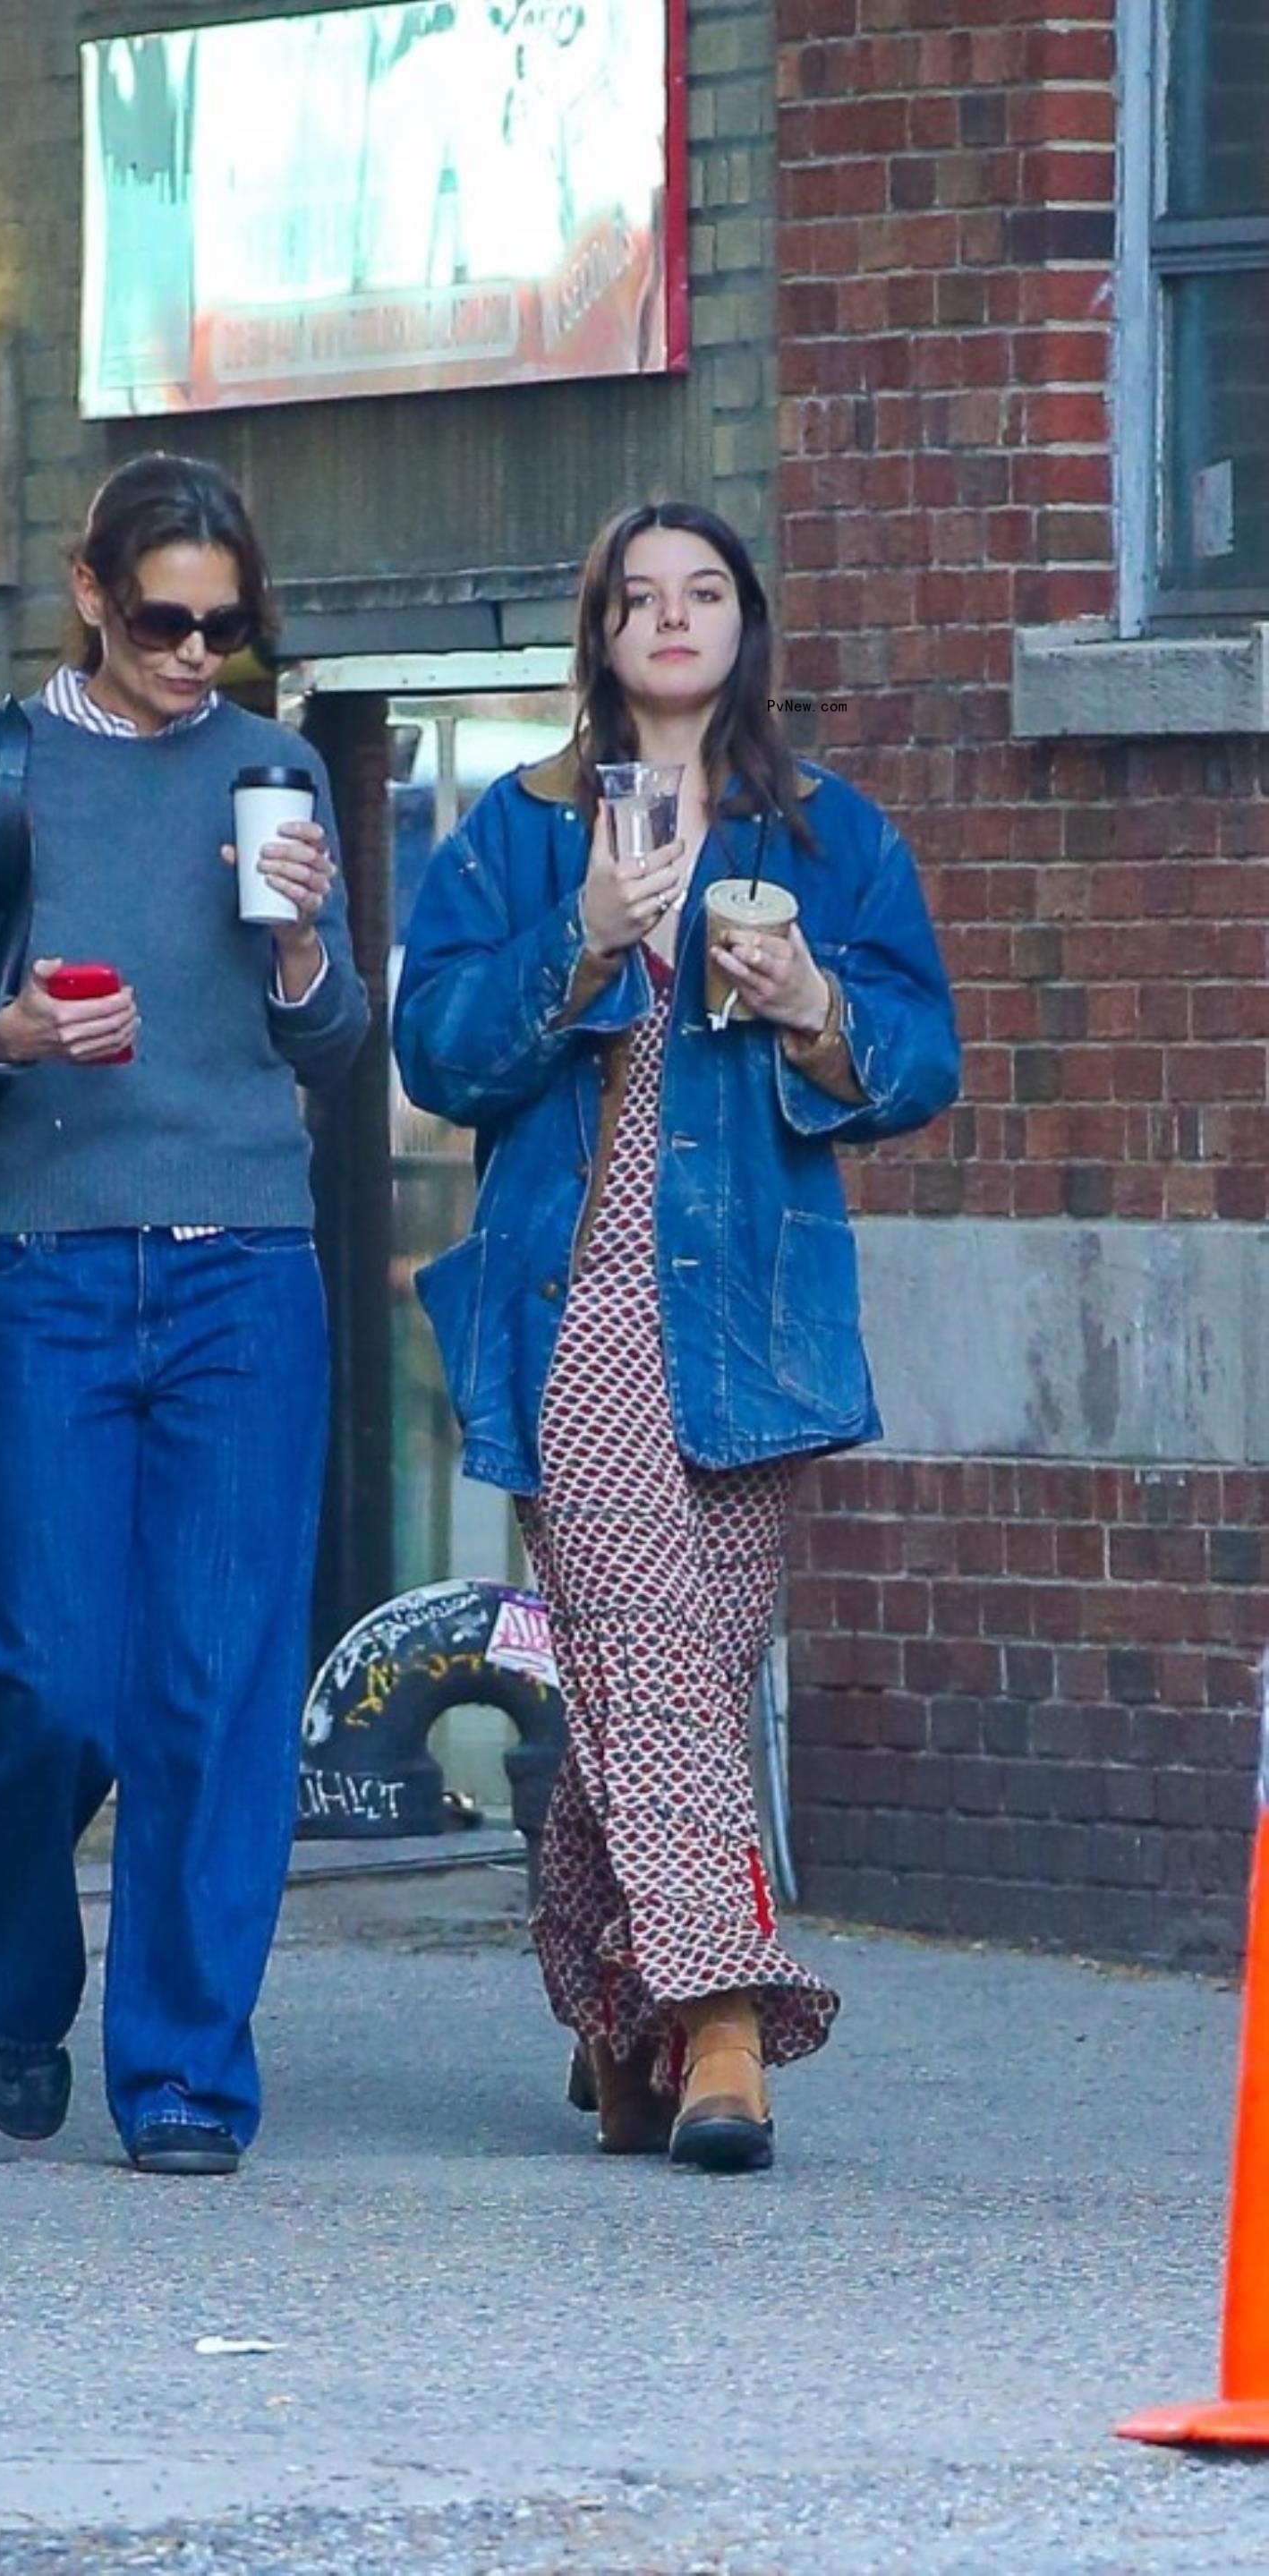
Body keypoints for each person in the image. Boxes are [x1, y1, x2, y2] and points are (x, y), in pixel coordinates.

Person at [393, 500, 958, 2172]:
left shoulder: (826, 834)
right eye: (640, 596)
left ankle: (606, 2003)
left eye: (703, 591)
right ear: (603, 637)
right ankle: (721, 2027)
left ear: (745, 626)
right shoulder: (514, 833)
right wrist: (580, 943)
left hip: (751, 1312)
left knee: (686, 1662)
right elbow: (434, 1053)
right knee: (646, 1633)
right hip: (572, 1299)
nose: (673, 616)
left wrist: (818, 1012)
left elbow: (924, 1056)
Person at [0, 453, 368, 2176]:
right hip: (52, 1271)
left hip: (247, 1262)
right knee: (53, 1670)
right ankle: (15, 1982)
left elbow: (330, 1038)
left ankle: (180, 2070)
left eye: (227, 627)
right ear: (91, 594)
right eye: (164, 619)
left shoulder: (272, 767)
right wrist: (10, 1032)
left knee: (216, 1677)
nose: (196, 654)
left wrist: (307, 954)